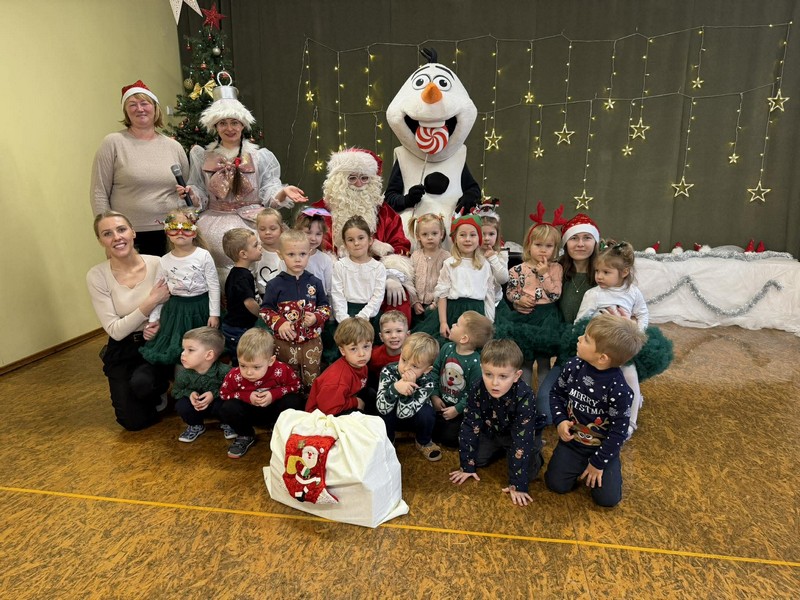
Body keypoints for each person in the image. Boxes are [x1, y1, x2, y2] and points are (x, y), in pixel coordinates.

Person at [178, 82, 306, 283]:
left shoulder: (259, 157)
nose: (229, 128)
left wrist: (283, 192)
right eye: (223, 123)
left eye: (234, 122)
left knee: (265, 245)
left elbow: (269, 189)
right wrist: (192, 194)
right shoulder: (203, 157)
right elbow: (199, 190)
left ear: (243, 125)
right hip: (214, 219)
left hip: (253, 220)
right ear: (215, 126)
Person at [545, 313, 646, 507]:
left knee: (608, 500)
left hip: (602, 449)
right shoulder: (573, 366)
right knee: (556, 485)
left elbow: (618, 433)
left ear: (602, 358)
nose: (579, 339)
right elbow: (556, 394)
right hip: (572, 444)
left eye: (586, 339)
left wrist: (599, 463)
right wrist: (560, 420)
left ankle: (605, 467)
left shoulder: (620, 391)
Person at [86, 211, 171, 430]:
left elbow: (172, 307)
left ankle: (159, 387)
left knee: (143, 383)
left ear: (133, 232)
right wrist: (150, 302)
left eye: (121, 229)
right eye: (107, 233)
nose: (116, 237)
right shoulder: (97, 275)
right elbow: (115, 330)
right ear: (100, 240)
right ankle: (148, 394)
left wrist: (158, 323)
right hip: (123, 346)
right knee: (132, 422)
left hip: (158, 341)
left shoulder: (159, 263)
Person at [312, 148, 413, 322]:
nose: (359, 184)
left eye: (364, 178)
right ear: (339, 180)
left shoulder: (385, 213)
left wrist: (392, 274)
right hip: (337, 277)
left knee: (398, 298)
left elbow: (399, 245)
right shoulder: (319, 213)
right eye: (352, 178)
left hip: (375, 275)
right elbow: (311, 246)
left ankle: (389, 339)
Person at [90, 81, 189, 256]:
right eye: (132, 105)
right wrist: (108, 231)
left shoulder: (174, 147)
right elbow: (99, 192)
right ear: (126, 112)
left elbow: (186, 188)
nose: (139, 109)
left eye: (144, 103)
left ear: (155, 108)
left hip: (172, 233)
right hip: (128, 235)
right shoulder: (113, 143)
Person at [449, 339, 546, 507]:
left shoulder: (525, 395)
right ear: (482, 369)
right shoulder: (477, 388)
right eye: (488, 374)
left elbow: (522, 439)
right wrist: (467, 466)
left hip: (522, 435)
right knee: (476, 461)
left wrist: (518, 485)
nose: (494, 383)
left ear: (516, 376)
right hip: (493, 432)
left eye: (503, 376)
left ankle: (536, 449)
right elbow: (469, 425)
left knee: (528, 473)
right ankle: (504, 451)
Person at [576, 242, 649, 438]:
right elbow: (580, 319)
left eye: (606, 272)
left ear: (624, 272)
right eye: (597, 271)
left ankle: (630, 422)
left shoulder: (632, 292)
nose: (599, 276)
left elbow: (643, 314)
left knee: (630, 377)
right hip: (599, 346)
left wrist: (636, 332)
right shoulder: (593, 294)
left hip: (621, 346)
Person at [535, 213, 601, 423]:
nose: (580, 244)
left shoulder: (603, 273)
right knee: (544, 409)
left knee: (587, 411)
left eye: (587, 238)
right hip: (567, 349)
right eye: (574, 238)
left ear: (595, 242)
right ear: (566, 243)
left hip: (595, 349)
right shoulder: (556, 271)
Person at [496, 204, 565, 391]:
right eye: (538, 245)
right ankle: (524, 397)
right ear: (529, 245)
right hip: (525, 317)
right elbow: (510, 292)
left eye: (549, 246)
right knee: (524, 360)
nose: (543, 250)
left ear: (555, 249)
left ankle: (543, 398)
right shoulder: (517, 269)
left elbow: (555, 294)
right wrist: (518, 299)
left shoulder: (556, 268)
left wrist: (544, 275)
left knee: (544, 362)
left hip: (547, 318)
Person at [140, 208, 221, 365]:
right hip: (175, 311)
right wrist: (154, 318)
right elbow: (158, 291)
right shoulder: (164, 261)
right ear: (167, 233)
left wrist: (214, 314)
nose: (180, 233)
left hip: (201, 308)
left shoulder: (203, 255)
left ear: (194, 232)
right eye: (174, 229)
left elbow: (214, 286)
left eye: (186, 228)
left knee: (201, 346)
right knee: (177, 346)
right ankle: (181, 374)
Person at [260, 229, 331, 390]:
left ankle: (311, 402)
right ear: (280, 255)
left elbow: (325, 307)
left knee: (312, 379)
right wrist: (280, 323)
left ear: (309, 253)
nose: (297, 259)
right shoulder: (274, 285)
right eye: (291, 254)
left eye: (302, 254)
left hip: (312, 342)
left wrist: (316, 317)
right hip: (284, 344)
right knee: (287, 379)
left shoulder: (315, 282)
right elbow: (265, 310)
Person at [218, 328, 304, 458]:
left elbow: (296, 386)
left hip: (274, 411)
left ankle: (279, 430)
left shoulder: (281, 369)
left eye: (256, 367)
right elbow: (224, 394)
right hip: (250, 413)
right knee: (228, 407)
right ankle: (245, 435)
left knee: (295, 400)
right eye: (243, 365)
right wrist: (247, 396)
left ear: (271, 361)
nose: (249, 372)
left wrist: (273, 394)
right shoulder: (234, 375)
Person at [414, 214, 495, 343]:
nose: (467, 239)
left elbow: (489, 294)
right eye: (462, 235)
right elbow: (442, 294)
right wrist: (443, 322)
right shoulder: (449, 263)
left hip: (477, 312)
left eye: (472, 235)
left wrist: (489, 320)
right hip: (453, 311)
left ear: (479, 238)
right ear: (455, 239)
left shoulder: (484, 265)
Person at [430, 311, 493, 447]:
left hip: (461, 409)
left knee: (450, 439)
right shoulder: (446, 348)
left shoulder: (475, 363)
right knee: (429, 429)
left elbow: (474, 393)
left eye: (457, 324)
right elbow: (434, 371)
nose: (453, 325)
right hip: (440, 402)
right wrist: (434, 395)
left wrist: (457, 409)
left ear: (464, 338)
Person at [376, 333, 441, 461]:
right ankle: (388, 441)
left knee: (427, 413)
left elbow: (403, 414)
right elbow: (381, 408)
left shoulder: (428, 382)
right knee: (382, 410)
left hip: (412, 417)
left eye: (415, 366)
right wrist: (395, 388)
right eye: (404, 360)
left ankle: (423, 442)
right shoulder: (388, 371)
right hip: (391, 416)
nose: (406, 368)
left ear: (427, 370)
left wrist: (407, 390)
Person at [172, 327, 233, 443]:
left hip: (217, 405)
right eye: (183, 349)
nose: (183, 354)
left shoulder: (225, 371)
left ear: (209, 355)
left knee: (228, 404)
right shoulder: (183, 374)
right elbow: (175, 392)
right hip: (197, 407)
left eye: (190, 350)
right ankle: (196, 425)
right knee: (181, 405)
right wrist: (189, 394)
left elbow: (234, 389)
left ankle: (228, 423)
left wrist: (214, 394)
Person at [306, 317, 373, 416]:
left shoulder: (360, 364)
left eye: (366, 346)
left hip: (341, 400)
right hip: (322, 414)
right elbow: (329, 409)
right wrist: (356, 402)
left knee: (370, 394)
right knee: (360, 414)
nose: (362, 354)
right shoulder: (338, 379)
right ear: (342, 351)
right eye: (353, 349)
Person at [329, 215, 387, 328]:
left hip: (370, 316)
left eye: (361, 238)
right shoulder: (340, 266)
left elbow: (377, 297)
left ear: (370, 240)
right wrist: (345, 320)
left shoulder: (378, 268)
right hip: (346, 314)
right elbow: (337, 296)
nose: (356, 243)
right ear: (345, 244)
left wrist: (362, 317)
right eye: (350, 240)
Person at [220, 228, 261, 360]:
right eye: (256, 245)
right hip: (238, 328)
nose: (260, 247)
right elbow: (249, 303)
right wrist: (263, 315)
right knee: (243, 358)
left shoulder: (236, 273)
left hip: (235, 326)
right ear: (243, 254)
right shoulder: (242, 277)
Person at [407, 213, 450, 325]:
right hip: (416, 306)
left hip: (437, 306)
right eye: (425, 234)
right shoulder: (415, 256)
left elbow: (447, 283)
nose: (430, 237)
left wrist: (435, 304)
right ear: (418, 236)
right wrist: (414, 302)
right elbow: (409, 280)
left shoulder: (446, 257)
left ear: (441, 234)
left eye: (434, 233)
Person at [364, 311, 410, 414]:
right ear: (381, 337)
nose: (394, 336)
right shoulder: (374, 355)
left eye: (399, 331)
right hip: (381, 394)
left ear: (407, 335)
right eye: (388, 332)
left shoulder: (412, 357)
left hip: (404, 395)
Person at [294, 207, 335, 296]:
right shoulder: (289, 257)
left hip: (319, 302)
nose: (313, 238)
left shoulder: (325, 260)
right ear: (298, 232)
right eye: (308, 233)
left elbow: (330, 289)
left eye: (318, 234)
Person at [476, 199, 509, 307]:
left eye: (491, 234)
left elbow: (503, 279)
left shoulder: (501, 254)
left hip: (495, 303)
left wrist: (493, 258)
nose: (487, 238)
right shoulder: (472, 253)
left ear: (497, 235)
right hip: (477, 301)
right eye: (483, 234)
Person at [254, 207, 286, 297]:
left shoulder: (288, 251)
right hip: (263, 298)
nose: (267, 232)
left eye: (272, 228)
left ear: (281, 229)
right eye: (262, 229)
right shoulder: (255, 252)